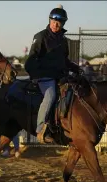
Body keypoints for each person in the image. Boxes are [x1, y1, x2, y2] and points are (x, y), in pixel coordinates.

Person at [24, 5, 82, 143]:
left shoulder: (63, 40)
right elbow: (30, 61)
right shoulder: (40, 36)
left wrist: (76, 68)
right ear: (49, 20)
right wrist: (35, 76)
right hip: (44, 77)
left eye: (59, 22)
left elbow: (64, 60)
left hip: (60, 76)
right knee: (51, 95)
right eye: (54, 21)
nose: (56, 24)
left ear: (63, 23)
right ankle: (40, 130)